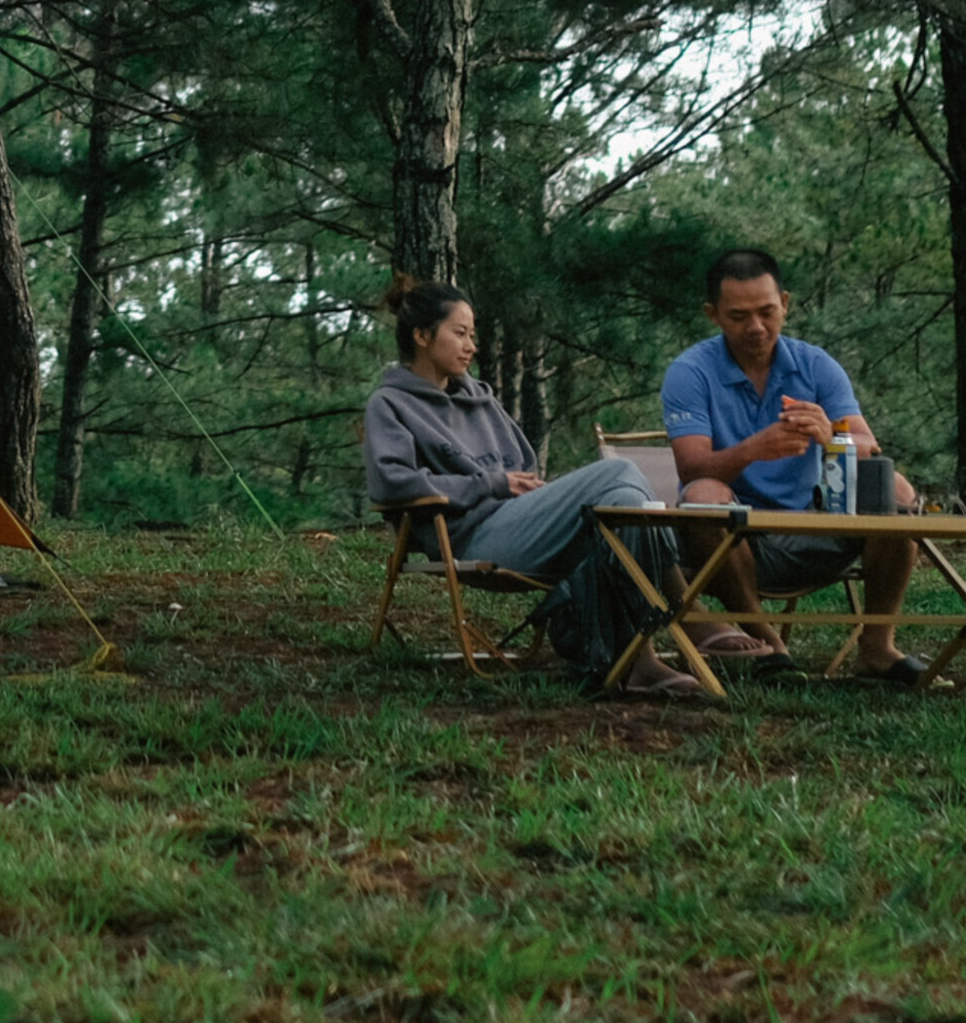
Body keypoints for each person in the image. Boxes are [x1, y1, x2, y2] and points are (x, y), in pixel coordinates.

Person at [362, 275, 696, 697]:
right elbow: (392, 483)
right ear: (422, 335)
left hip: (519, 524)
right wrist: (491, 483)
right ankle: (695, 621)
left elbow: (522, 466)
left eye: (473, 335)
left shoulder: (479, 398)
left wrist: (523, 489)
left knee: (624, 499)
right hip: (471, 536)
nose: (472, 345)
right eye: (460, 333)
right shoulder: (390, 404)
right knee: (619, 472)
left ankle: (638, 662)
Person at [660, 248, 925, 682]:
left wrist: (830, 436)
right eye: (739, 316)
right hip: (732, 542)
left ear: (785, 303)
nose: (756, 327)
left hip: (818, 527)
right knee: (703, 494)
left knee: (892, 487)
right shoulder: (691, 372)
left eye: (766, 312)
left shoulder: (815, 365)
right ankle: (768, 644)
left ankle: (878, 647)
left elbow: (869, 450)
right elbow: (692, 468)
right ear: (713, 315)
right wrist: (753, 449)